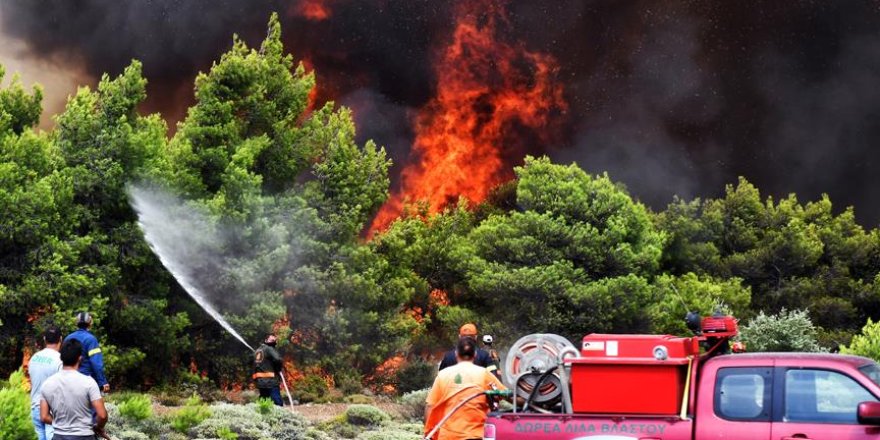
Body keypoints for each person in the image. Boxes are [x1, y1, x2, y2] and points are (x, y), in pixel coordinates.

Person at [425, 337, 507, 440]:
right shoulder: (484, 374)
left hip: (448, 436)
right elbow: (506, 394)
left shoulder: (443, 375)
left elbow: (430, 405)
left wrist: (429, 433)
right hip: (475, 435)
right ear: (475, 354)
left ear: (456, 354)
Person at [40, 339, 109, 440]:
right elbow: (102, 415)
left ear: (61, 357)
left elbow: (44, 416)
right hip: (85, 436)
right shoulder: (89, 383)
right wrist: (98, 427)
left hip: (59, 436)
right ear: (80, 358)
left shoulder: (47, 384)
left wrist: (60, 423)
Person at [29, 326, 63, 440]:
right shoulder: (60, 360)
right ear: (61, 339)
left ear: (44, 339)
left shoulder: (34, 358)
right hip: (51, 411)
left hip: (35, 407)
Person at [64, 312, 109, 394]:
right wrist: (103, 381)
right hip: (87, 380)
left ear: (76, 323)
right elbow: (96, 363)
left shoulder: (68, 338)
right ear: (90, 323)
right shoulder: (91, 340)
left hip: (68, 380)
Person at [252, 334, 283, 406]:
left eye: (275, 341)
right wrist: (278, 368)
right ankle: (280, 416)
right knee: (277, 402)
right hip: (271, 382)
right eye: (272, 340)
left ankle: (263, 416)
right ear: (266, 340)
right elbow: (278, 359)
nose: (274, 342)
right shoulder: (269, 348)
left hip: (260, 382)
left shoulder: (257, 351)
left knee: (264, 403)